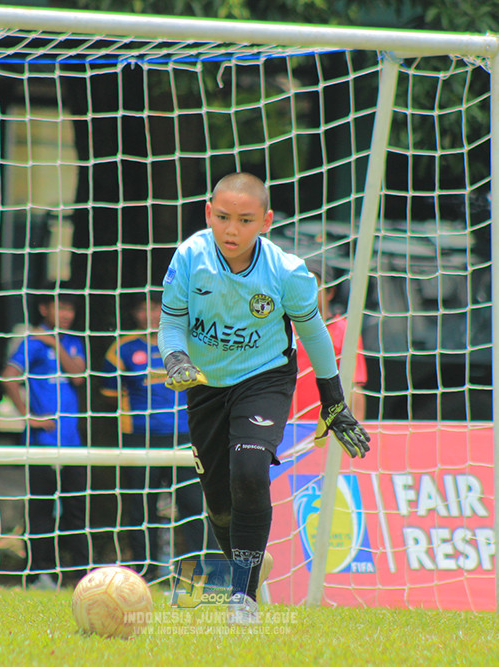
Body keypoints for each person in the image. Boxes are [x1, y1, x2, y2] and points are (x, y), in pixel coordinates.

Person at [157, 172, 371, 624]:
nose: (231, 230)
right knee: (217, 502)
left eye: (244, 220)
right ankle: (246, 566)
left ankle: (242, 598)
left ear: (266, 221)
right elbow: (172, 322)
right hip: (204, 386)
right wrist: (175, 357)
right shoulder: (189, 257)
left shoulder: (287, 272)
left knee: (250, 470)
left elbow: (314, 334)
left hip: (264, 378)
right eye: (222, 218)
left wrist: (333, 399)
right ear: (207, 213)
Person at [101, 290, 212, 580]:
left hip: (186, 438)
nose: (150, 315)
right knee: (140, 508)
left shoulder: (190, 343)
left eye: (156, 309)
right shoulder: (121, 349)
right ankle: (145, 572)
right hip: (140, 438)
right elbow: (109, 395)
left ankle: (202, 572)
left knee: (194, 505)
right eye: (143, 309)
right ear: (135, 314)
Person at [1, 290, 91, 589]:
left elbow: (78, 376)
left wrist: (55, 344)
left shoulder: (71, 341)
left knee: (76, 510)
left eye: (69, 309)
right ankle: (40, 574)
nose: (65, 314)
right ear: (43, 308)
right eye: (59, 307)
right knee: (41, 510)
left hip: (73, 442)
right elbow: (8, 377)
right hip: (42, 441)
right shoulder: (31, 343)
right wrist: (29, 416)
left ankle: (81, 576)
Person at [290, 259, 367, 422]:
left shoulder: (344, 330)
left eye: (313, 286)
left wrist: (357, 426)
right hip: (284, 426)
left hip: (325, 428)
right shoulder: (283, 327)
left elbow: (355, 388)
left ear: (330, 292)